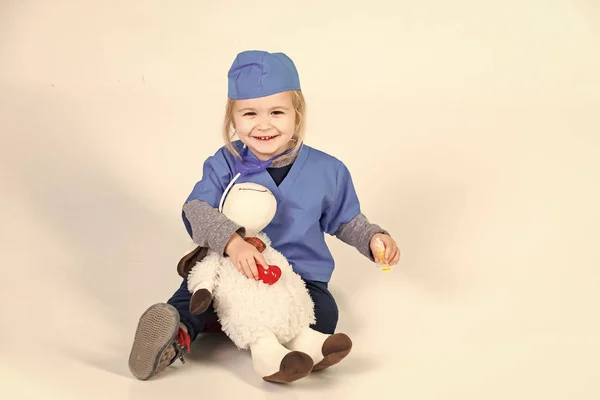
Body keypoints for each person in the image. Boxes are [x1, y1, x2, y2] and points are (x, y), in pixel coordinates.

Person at [128, 50, 401, 381]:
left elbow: (346, 220)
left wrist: (373, 238)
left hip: (298, 279)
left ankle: (276, 347)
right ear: (233, 119)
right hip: (233, 272)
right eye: (249, 113)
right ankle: (176, 336)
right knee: (194, 295)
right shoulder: (224, 164)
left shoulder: (328, 170)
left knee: (324, 315)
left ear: (297, 115)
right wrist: (232, 243)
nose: (263, 124)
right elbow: (195, 210)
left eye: (276, 112)